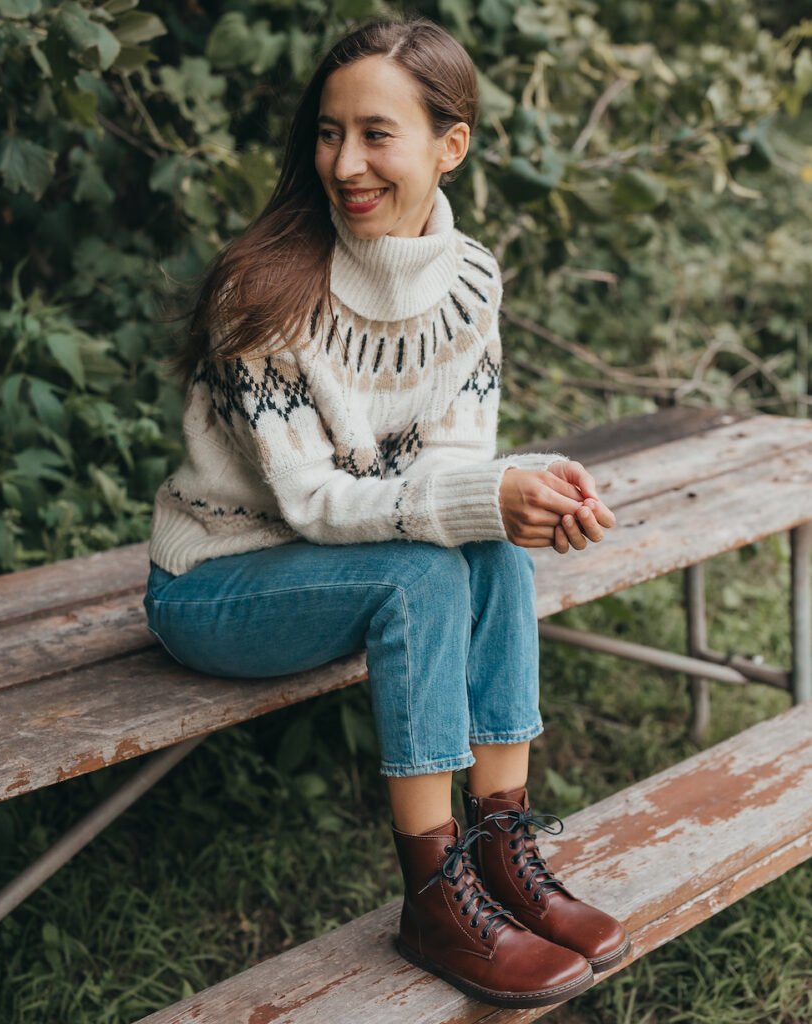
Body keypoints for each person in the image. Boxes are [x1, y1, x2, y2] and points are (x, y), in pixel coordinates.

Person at [143, 15, 629, 1010]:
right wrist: (479, 494)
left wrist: (530, 486)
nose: (345, 162)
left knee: (488, 550)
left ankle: (499, 849)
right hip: (219, 584)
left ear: (449, 147)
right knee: (422, 568)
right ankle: (434, 895)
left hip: (342, 567)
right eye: (329, 132)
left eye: (376, 133)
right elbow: (313, 501)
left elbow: (451, 469)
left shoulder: (471, 281)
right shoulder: (265, 291)